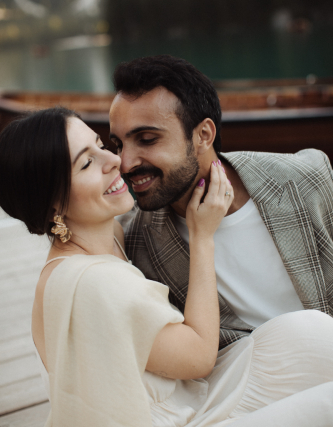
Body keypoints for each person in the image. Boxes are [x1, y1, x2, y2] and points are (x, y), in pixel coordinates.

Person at [1, 107, 333, 427]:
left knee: (307, 332)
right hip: (175, 426)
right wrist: (202, 237)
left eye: (101, 145)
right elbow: (200, 357)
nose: (115, 161)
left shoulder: (109, 238)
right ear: (53, 202)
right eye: (87, 163)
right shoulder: (90, 282)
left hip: (193, 398)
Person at [109, 54, 333, 351]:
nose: (125, 164)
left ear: (203, 135)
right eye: (118, 145)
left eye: (147, 139)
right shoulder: (134, 242)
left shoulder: (307, 177)